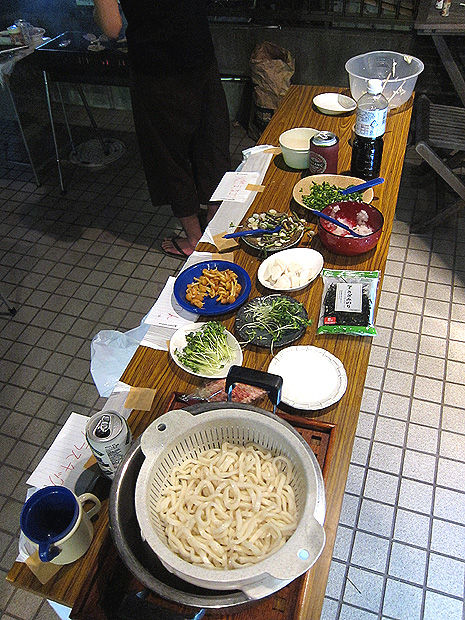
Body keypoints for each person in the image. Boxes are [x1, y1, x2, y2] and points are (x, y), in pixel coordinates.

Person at [93, 0, 231, 257]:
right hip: (198, 52)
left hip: (155, 67)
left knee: (168, 154)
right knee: (211, 141)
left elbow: (112, 28)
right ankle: (215, 226)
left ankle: (194, 239)